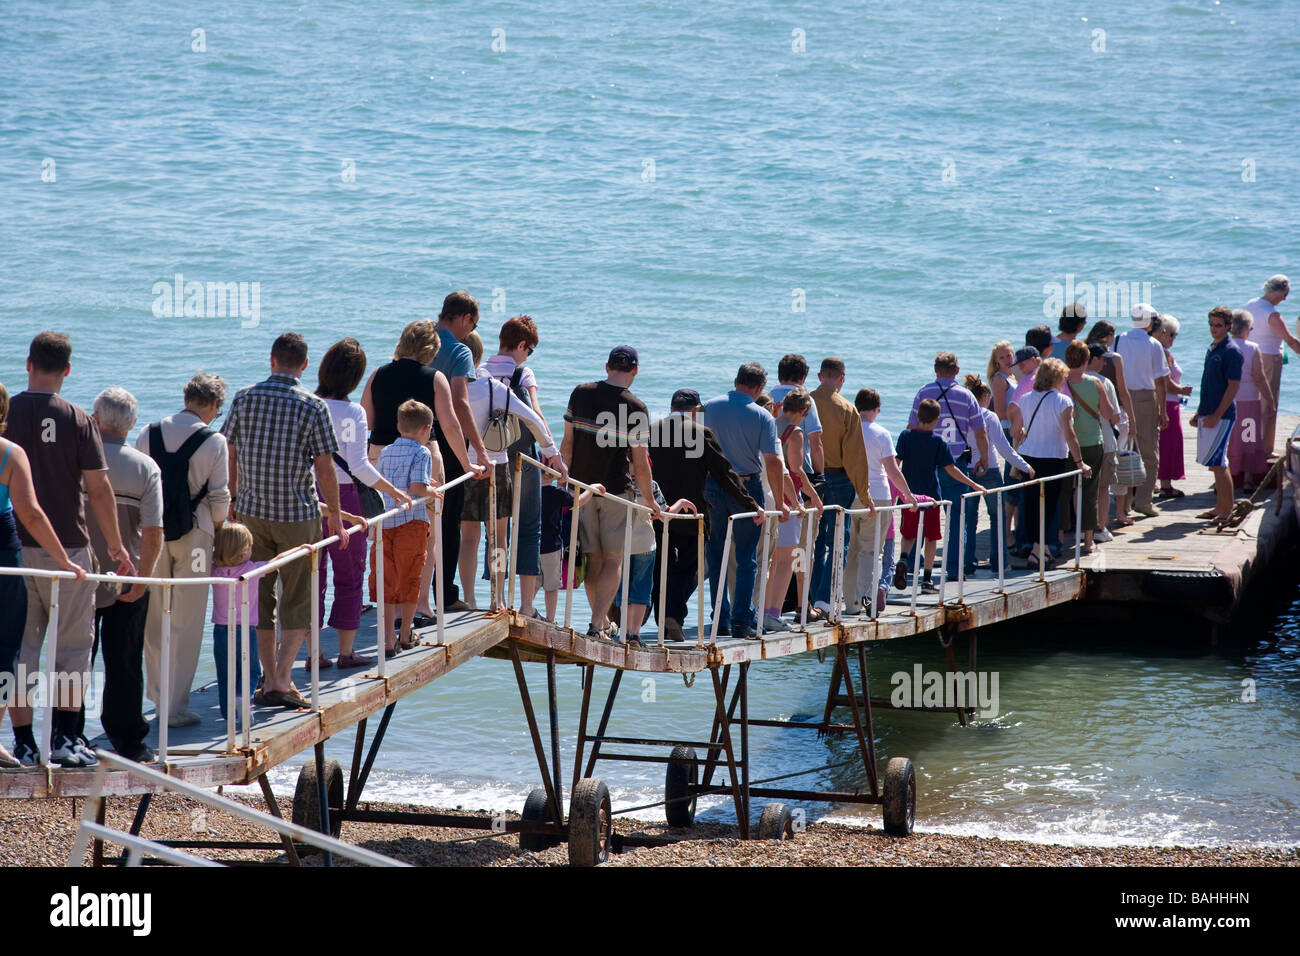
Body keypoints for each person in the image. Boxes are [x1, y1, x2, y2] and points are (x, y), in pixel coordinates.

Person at [7, 332, 134, 767]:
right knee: (73, 648)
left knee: (22, 649)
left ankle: (22, 742)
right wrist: (117, 547)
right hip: (70, 548)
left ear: (28, 363)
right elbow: (99, 491)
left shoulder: (8, 415)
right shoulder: (80, 420)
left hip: (16, 549)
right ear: (67, 370)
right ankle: (64, 737)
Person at [221, 332, 346, 710]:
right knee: (299, 598)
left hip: (252, 512)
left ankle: (267, 676)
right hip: (297, 515)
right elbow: (325, 470)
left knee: (260, 598)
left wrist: (233, 495)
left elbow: (230, 448)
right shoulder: (314, 407)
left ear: (271, 359)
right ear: (304, 365)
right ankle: (282, 678)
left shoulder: (244, 397)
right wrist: (337, 518)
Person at [361, 320, 479, 626]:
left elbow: (367, 419)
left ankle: (392, 603)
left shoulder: (378, 373)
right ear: (429, 349)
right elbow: (451, 425)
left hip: (380, 455)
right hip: (425, 456)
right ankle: (421, 604)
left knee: (386, 531)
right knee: (426, 533)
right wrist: (468, 465)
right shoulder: (435, 377)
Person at [0, 382, 88, 768]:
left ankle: (20, 742)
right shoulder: (9, 454)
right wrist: (63, 561)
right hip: (5, 562)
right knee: (6, 651)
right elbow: (31, 514)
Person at [138, 371, 231, 728]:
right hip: (196, 536)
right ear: (212, 404)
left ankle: (158, 697)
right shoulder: (213, 441)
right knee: (187, 622)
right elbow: (220, 499)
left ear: (186, 396)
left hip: (154, 533)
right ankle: (175, 708)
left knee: (155, 616)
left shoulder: (149, 432)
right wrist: (220, 525)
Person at [315, 339, 410, 669]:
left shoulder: (309, 404)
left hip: (310, 498)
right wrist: (393, 491)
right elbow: (358, 466)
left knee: (313, 574)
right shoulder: (352, 412)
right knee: (350, 575)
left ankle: (314, 653)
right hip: (344, 498)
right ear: (354, 377)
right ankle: (345, 651)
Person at [82, 388, 163, 762]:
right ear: (132, 424)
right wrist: (144, 578)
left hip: (79, 574)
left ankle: (67, 733)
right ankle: (129, 739)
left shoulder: (78, 461)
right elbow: (152, 531)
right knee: (125, 659)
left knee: (75, 657)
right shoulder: (144, 467)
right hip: (126, 575)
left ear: (95, 419)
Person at [561, 345, 660, 638]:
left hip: (581, 487)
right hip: (616, 492)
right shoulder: (636, 408)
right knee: (614, 559)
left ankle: (601, 622)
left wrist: (562, 487)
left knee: (593, 558)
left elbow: (567, 444)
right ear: (635, 371)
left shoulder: (580, 393)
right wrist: (651, 501)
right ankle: (596, 624)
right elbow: (640, 464)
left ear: (607, 367)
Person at [646, 389, 760, 642]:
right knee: (691, 566)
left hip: (658, 510)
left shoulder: (652, 430)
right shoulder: (701, 433)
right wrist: (750, 503)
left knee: (660, 565)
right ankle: (673, 614)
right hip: (692, 513)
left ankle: (661, 616)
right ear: (695, 410)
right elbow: (725, 474)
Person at [459, 331, 560, 611]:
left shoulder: (455, 390)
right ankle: (498, 598)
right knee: (499, 538)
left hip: (466, 468)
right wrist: (553, 455)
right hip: (497, 466)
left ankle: (468, 598)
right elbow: (534, 419)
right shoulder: (495, 388)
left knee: (468, 537)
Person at [481, 315, 568, 618]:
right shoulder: (523, 373)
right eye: (529, 349)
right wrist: (554, 455)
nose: (528, 355)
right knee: (529, 528)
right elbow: (536, 415)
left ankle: (497, 596)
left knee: (495, 531)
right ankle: (528, 606)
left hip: (489, 461)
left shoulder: (480, 371)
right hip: (523, 461)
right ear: (521, 345)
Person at [703, 363, 789, 640]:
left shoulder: (710, 408)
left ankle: (720, 617)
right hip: (747, 487)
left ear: (737, 380)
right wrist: (780, 500)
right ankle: (742, 620)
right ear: (760, 388)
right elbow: (774, 462)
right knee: (746, 557)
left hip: (713, 486)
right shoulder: (763, 416)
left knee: (716, 553)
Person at [428, 292, 493, 612]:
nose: (471, 332)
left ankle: (404, 597)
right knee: (449, 519)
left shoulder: (418, 339)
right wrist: (479, 450)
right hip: (445, 442)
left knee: (416, 520)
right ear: (465, 318)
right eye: (474, 324)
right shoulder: (459, 350)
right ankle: (445, 596)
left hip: (409, 435)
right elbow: (460, 403)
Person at [908, 352, 989, 577]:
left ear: (935, 369)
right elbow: (980, 432)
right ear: (957, 370)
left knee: (919, 514)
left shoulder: (923, 392)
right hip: (955, 462)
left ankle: (914, 562)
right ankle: (954, 568)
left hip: (926, 464)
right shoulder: (966, 396)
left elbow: (912, 428)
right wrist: (984, 457)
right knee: (956, 519)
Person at [894, 400, 984, 592]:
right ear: (937, 420)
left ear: (917, 416)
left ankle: (903, 558)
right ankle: (927, 580)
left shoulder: (905, 436)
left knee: (908, 533)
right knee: (931, 537)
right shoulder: (938, 441)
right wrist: (973, 483)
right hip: (931, 498)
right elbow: (951, 469)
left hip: (909, 497)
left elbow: (895, 463)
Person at [808, 357, 874, 618]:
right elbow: (855, 456)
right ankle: (824, 599)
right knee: (838, 540)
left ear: (819, 376)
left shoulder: (805, 402)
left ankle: (811, 597)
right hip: (839, 479)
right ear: (842, 378)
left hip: (809, 478)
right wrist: (865, 492)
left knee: (813, 540)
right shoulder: (847, 408)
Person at [1011, 359, 1090, 569]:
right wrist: (1080, 462)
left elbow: (1016, 430)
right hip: (1053, 457)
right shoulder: (1063, 401)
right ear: (1057, 378)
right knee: (1049, 504)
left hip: (1029, 455)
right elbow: (1070, 435)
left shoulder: (1026, 399)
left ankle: (1040, 549)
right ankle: (1038, 551)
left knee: (1031, 504)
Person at [372, 400, 436, 654]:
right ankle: (406, 634)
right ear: (427, 428)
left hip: (386, 521)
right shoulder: (423, 453)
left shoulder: (386, 451)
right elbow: (417, 488)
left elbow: (381, 481)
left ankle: (388, 640)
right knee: (410, 578)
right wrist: (433, 491)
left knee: (387, 579)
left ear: (399, 426)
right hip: (412, 522)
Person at [845, 388, 914, 613]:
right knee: (872, 551)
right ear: (876, 410)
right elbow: (892, 470)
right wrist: (907, 494)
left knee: (852, 549)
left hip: (851, 496)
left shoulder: (848, 430)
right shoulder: (881, 433)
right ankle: (867, 601)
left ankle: (851, 603)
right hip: (878, 496)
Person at [761, 389, 822, 631]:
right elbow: (795, 470)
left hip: (766, 493)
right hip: (787, 498)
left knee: (771, 561)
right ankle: (773, 613)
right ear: (804, 412)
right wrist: (812, 496)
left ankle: (763, 610)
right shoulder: (794, 433)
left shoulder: (769, 424)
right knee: (787, 560)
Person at [964, 376, 1032, 563]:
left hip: (967, 471)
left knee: (969, 521)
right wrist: (1025, 466)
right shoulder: (988, 416)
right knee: (997, 519)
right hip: (990, 470)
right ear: (986, 397)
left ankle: (967, 563)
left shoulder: (963, 416)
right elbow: (1004, 448)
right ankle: (998, 562)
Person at [1114, 303, 1169, 518]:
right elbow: (1160, 381)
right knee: (1149, 453)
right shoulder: (1154, 344)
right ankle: (1144, 501)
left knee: (1126, 449)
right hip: (1145, 398)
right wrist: (1163, 411)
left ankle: (1125, 503)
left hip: (1122, 395)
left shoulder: (1119, 339)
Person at [1062, 343, 1117, 554]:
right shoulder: (1095, 383)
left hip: (1067, 444)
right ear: (1086, 361)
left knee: (1067, 491)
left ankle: (1060, 535)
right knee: (1089, 491)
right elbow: (1108, 412)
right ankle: (1087, 540)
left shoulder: (1061, 383)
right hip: (1093, 442)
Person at [1191, 307, 1244, 524]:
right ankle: (1219, 506)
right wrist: (1199, 412)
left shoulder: (1231, 351)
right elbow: (1208, 384)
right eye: (1211, 324)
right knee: (1215, 463)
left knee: (1220, 463)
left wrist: (1216, 415)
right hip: (1208, 412)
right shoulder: (1213, 348)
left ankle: (1227, 509)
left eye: (1218, 325)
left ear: (1228, 326)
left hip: (1222, 416)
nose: (1214, 329)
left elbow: (1233, 387)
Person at [210, 522, 263, 720]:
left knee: (225, 674)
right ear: (243, 552)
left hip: (221, 630)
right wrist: (301, 548)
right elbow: (278, 561)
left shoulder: (214, 571)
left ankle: (229, 714)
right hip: (245, 629)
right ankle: (244, 697)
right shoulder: (251, 570)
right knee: (251, 670)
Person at [538, 479, 600, 624]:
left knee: (534, 582)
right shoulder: (557, 493)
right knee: (552, 586)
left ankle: (527, 608)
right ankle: (550, 619)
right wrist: (591, 489)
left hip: (534, 544)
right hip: (552, 547)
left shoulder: (531, 491)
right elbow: (577, 502)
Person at [1243, 275, 1292, 453]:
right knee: (1269, 403)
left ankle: (1248, 443)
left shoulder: (1250, 304)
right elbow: (1290, 340)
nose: (1285, 299)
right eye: (1285, 294)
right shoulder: (1272, 314)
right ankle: (1265, 448)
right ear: (1277, 291)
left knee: (1252, 401)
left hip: (1249, 356)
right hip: (1269, 359)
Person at [1227, 309, 1275, 490]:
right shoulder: (1252, 348)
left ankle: (1227, 476)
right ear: (1246, 328)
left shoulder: (1224, 346)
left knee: (1229, 438)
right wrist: (1270, 400)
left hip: (1228, 399)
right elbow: (1259, 377)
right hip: (1249, 399)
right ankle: (1247, 478)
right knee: (1248, 437)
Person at [1085, 344, 1125, 541]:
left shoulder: (1071, 381)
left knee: (1081, 489)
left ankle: (1082, 530)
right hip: (1105, 442)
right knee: (1103, 489)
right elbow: (1115, 417)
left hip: (1079, 442)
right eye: (1102, 359)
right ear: (1092, 359)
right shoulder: (1104, 383)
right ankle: (1100, 528)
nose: (1104, 362)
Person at [1153, 317, 1194, 499]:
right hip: (1168, 403)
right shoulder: (1163, 354)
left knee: (1162, 443)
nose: (1173, 338)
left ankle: (1157, 481)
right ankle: (1166, 484)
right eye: (1171, 334)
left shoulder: (1157, 351)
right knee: (1169, 443)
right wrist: (1182, 390)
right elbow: (1165, 382)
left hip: (1163, 401)